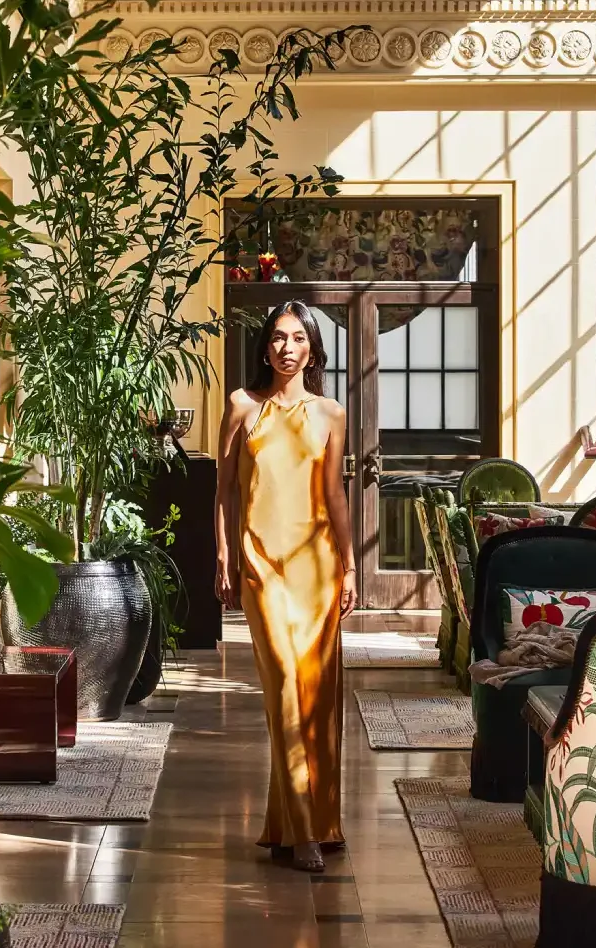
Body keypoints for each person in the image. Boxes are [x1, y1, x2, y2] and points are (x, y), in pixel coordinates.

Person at [214, 301, 357, 874]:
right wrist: (223, 554)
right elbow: (224, 488)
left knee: (317, 697)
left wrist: (348, 567)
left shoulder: (331, 413)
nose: (287, 348)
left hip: (317, 567)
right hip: (260, 563)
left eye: (298, 338)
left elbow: (335, 495)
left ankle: (306, 822)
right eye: (277, 338)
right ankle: (304, 836)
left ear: (313, 350)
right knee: (283, 695)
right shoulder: (241, 406)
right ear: (265, 347)